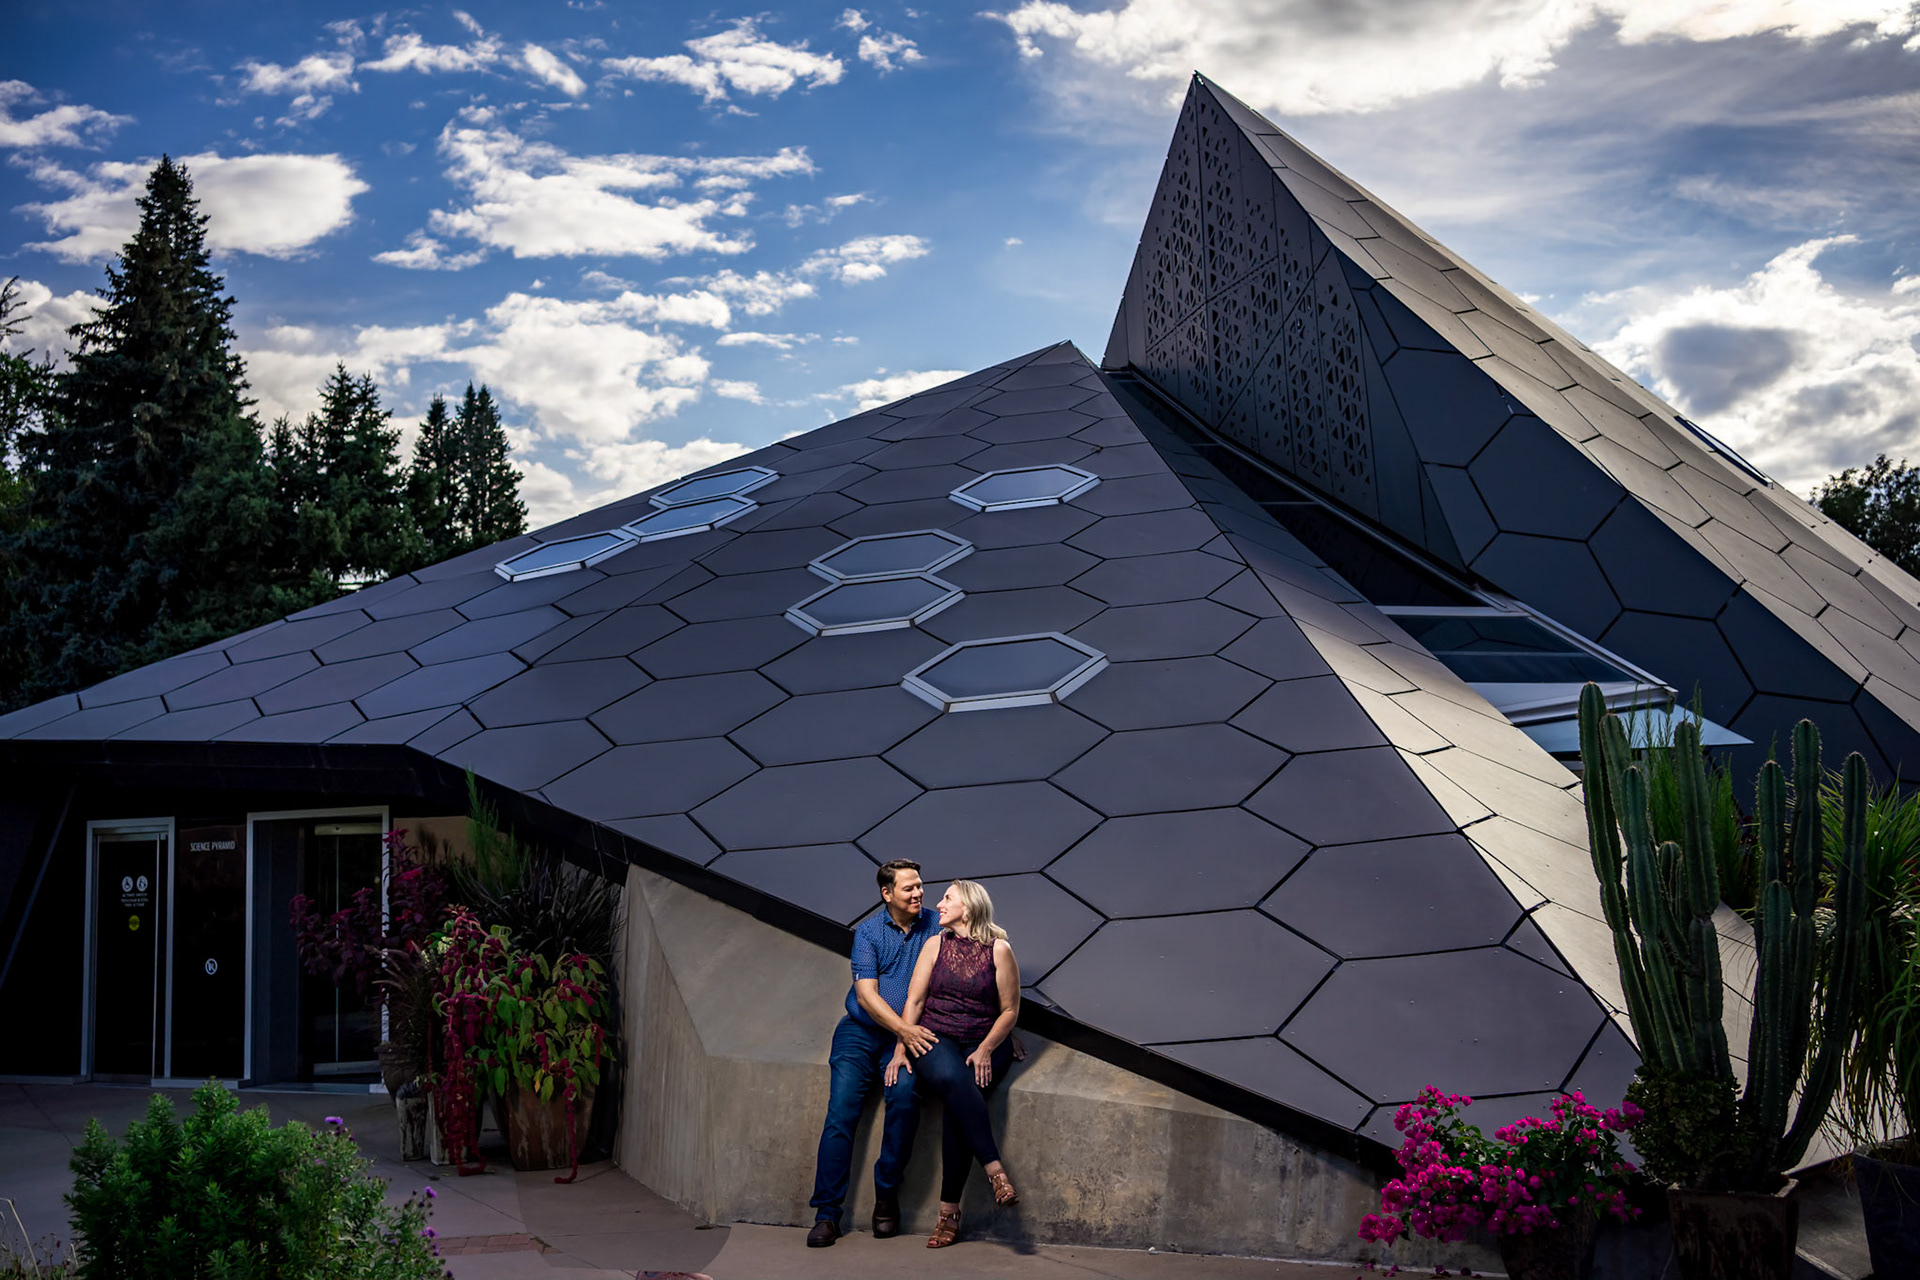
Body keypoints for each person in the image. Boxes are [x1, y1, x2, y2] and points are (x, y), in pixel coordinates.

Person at [806, 858, 939, 1248]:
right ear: (887, 893)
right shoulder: (867, 933)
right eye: (908, 888)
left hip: (906, 1037)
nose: (918, 893)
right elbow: (866, 995)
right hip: (861, 1033)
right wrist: (904, 1031)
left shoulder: (936, 925)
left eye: (919, 886)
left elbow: (979, 959)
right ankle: (827, 1213)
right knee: (841, 1110)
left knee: (904, 1098)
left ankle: (885, 1200)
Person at [886, 879, 1022, 1248]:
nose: (939, 904)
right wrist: (901, 1048)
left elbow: (1010, 1009)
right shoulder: (935, 945)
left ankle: (948, 1214)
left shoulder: (999, 950)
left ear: (969, 905)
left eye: (948, 898)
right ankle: (994, 1169)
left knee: (958, 1109)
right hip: (937, 1035)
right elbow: (914, 1003)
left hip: (986, 1040)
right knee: (951, 1077)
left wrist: (986, 1049)